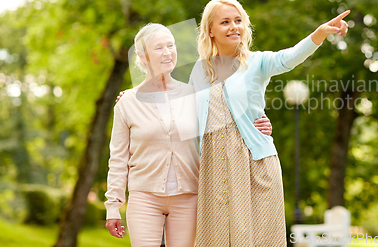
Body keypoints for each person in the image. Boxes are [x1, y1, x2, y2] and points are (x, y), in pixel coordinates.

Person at [189, 0, 350, 246]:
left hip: (254, 164)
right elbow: (181, 112)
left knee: (260, 238)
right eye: (225, 22)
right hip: (213, 166)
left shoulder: (257, 62)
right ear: (210, 29)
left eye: (238, 20)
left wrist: (319, 34)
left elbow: (289, 58)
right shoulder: (198, 70)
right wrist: (131, 97)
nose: (234, 26)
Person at [106, 23, 272, 247]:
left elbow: (227, 124)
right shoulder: (127, 102)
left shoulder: (194, 95)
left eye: (170, 46)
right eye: (158, 48)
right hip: (144, 198)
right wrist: (113, 206)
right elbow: (118, 159)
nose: (167, 52)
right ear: (142, 56)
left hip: (188, 198)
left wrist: (257, 126)